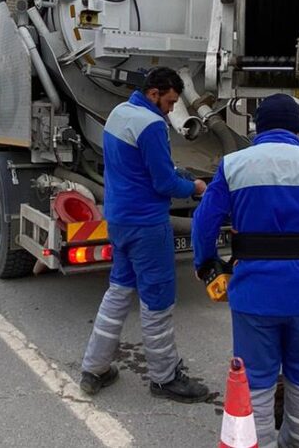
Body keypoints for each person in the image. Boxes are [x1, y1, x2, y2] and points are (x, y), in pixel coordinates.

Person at [192, 94, 299, 447]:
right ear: (297, 128)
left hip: (255, 296)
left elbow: (203, 224)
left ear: (259, 126)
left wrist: (206, 265)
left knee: (256, 380)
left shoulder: (233, 166)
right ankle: (298, 442)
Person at [80, 67, 210, 403]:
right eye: (168, 102)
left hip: (119, 220)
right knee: (158, 301)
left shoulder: (118, 114)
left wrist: (174, 172)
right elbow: (164, 183)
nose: (170, 109)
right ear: (155, 93)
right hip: (147, 225)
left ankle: (94, 368)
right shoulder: (152, 124)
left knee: (119, 292)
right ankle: (165, 377)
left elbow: (135, 167)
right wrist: (194, 186)